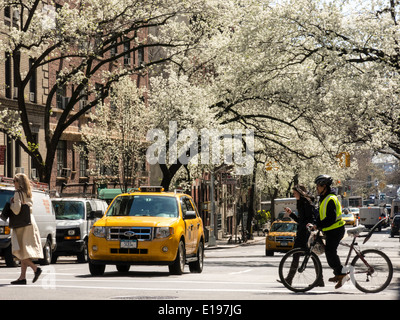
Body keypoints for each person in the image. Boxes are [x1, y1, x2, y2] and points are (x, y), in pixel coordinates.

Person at [280, 184, 324, 286]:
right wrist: (291, 214)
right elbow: (300, 221)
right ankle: (290, 279)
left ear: (300, 192)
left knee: (311, 256)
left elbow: (309, 219)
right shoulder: (301, 202)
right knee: (303, 256)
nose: (294, 195)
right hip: (302, 232)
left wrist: (308, 228)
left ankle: (318, 280)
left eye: (295, 193)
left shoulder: (306, 203)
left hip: (306, 233)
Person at [313, 174, 346, 289]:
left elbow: (331, 218)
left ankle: (341, 274)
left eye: (318, 186)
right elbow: (321, 216)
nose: (317, 188)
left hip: (336, 229)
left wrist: (319, 225)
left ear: (324, 186)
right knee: (330, 252)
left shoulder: (330, 199)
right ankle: (339, 274)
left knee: (330, 252)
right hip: (330, 230)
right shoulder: (324, 198)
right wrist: (315, 224)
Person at [9, 173, 43, 285]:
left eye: (14, 181)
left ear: (19, 183)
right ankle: (22, 278)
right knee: (25, 251)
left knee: (20, 251)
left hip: (21, 225)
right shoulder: (28, 193)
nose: (13, 183)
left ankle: (35, 269)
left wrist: (11, 204)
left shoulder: (18, 193)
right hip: (30, 222)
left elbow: (16, 210)